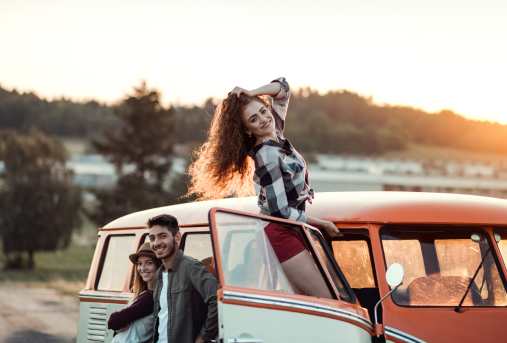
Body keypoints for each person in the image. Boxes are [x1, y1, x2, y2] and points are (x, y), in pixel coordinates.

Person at [187, 77, 342, 298]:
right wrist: (322, 225)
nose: (262, 119)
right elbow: (281, 212)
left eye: (262, 111)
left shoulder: (276, 132)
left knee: (307, 303)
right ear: (247, 130)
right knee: (328, 298)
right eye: (253, 119)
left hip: (294, 230)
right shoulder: (267, 156)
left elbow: (283, 88)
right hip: (280, 232)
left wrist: (250, 93)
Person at [148, 214, 218, 343]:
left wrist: (203, 336)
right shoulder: (158, 274)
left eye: (163, 236)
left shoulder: (191, 267)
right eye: (152, 238)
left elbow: (217, 298)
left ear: (177, 237)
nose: (156, 243)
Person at [107, 242, 161, 343]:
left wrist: (117, 326)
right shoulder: (148, 294)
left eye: (149, 263)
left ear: (158, 265)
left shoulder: (149, 297)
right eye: (139, 264)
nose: (143, 268)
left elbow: (113, 320)